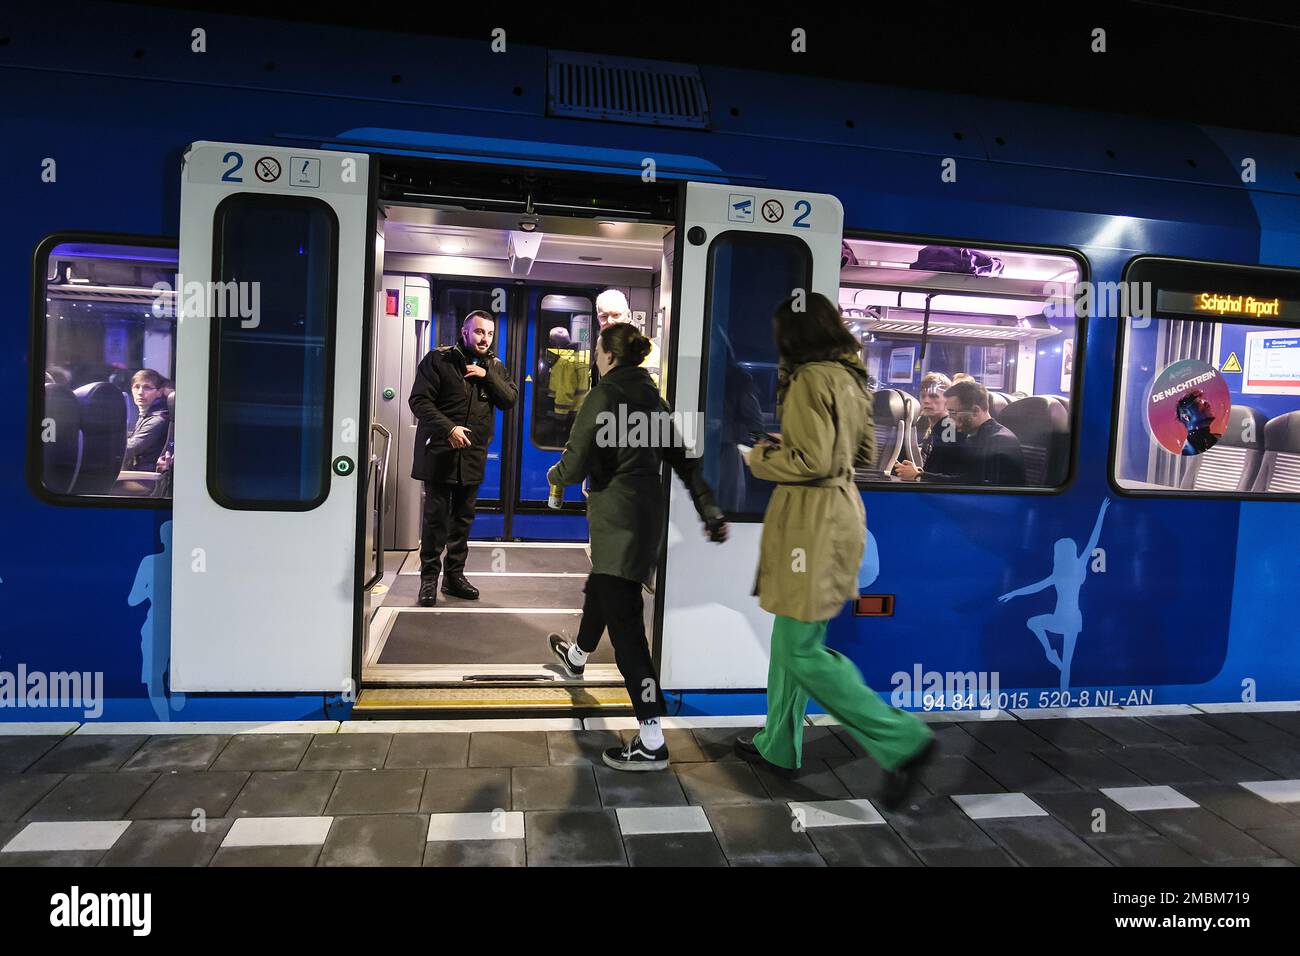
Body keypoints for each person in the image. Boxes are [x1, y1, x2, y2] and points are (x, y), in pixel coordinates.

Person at [737, 293, 935, 809]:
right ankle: (777, 745)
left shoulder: (808, 379)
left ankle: (902, 739)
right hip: (841, 511)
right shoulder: (851, 379)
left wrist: (761, 455)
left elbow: (811, 463)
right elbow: (862, 452)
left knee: (800, 651)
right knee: (790, 639)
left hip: (812, 522)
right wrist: (803, 443)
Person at [546, 322, 728, 771]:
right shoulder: (652, 400)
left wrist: (554, 480)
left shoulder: (603, 396)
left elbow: (574, 461)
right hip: (646, 522)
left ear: (608, 356)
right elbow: (685, 462)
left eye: (598, 351)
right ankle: (577, 658)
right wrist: (709, 508)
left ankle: (651, 740)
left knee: (627, 628)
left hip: (615, 522)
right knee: (604, 588)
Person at [409, 311, 518, 606]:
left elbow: (509, 399)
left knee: (462, 520)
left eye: (490, 334)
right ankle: (429, 580)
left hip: (472, 456)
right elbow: (418, 401)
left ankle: (454, 577)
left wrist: (488, 376)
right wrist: (449, 429)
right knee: (435, 521)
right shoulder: (439, 360)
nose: (484, 338)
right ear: (465, 331)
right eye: (479, 332)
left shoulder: (495, 366)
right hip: (440, 454)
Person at [1000, 499, 1110, 689]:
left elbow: (1035, 587)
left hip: (1060, 618)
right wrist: (1101, 514)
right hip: (1073, 619)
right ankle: (1063, 697)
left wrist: (1013, 593)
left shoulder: (1058, 574)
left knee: (1032, 623)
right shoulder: (1079, 568)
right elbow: (1093, 541)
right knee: (1067, 664)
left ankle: (1049, 653)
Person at [893, 380, 1026, 486]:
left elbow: (970, 484)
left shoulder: (999, 441)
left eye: (953, 413)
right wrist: (920, 473)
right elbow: (958, 477)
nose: (949, 419)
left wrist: (918, 476)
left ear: (975, 410)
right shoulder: (975, 436)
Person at [595, 289, 662, 387]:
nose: (610, 321)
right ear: (598, 318)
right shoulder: (601, 350)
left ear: (628, 315)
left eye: (616, 315)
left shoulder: (648, 352)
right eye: (604, 316)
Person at [122, 369, 171, 471]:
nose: (140, 392)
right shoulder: (146, 415)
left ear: (159, 392)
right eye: (136, 387)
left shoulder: (158, 420)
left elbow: (130, 448)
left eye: (147, 388)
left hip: (145, 478)